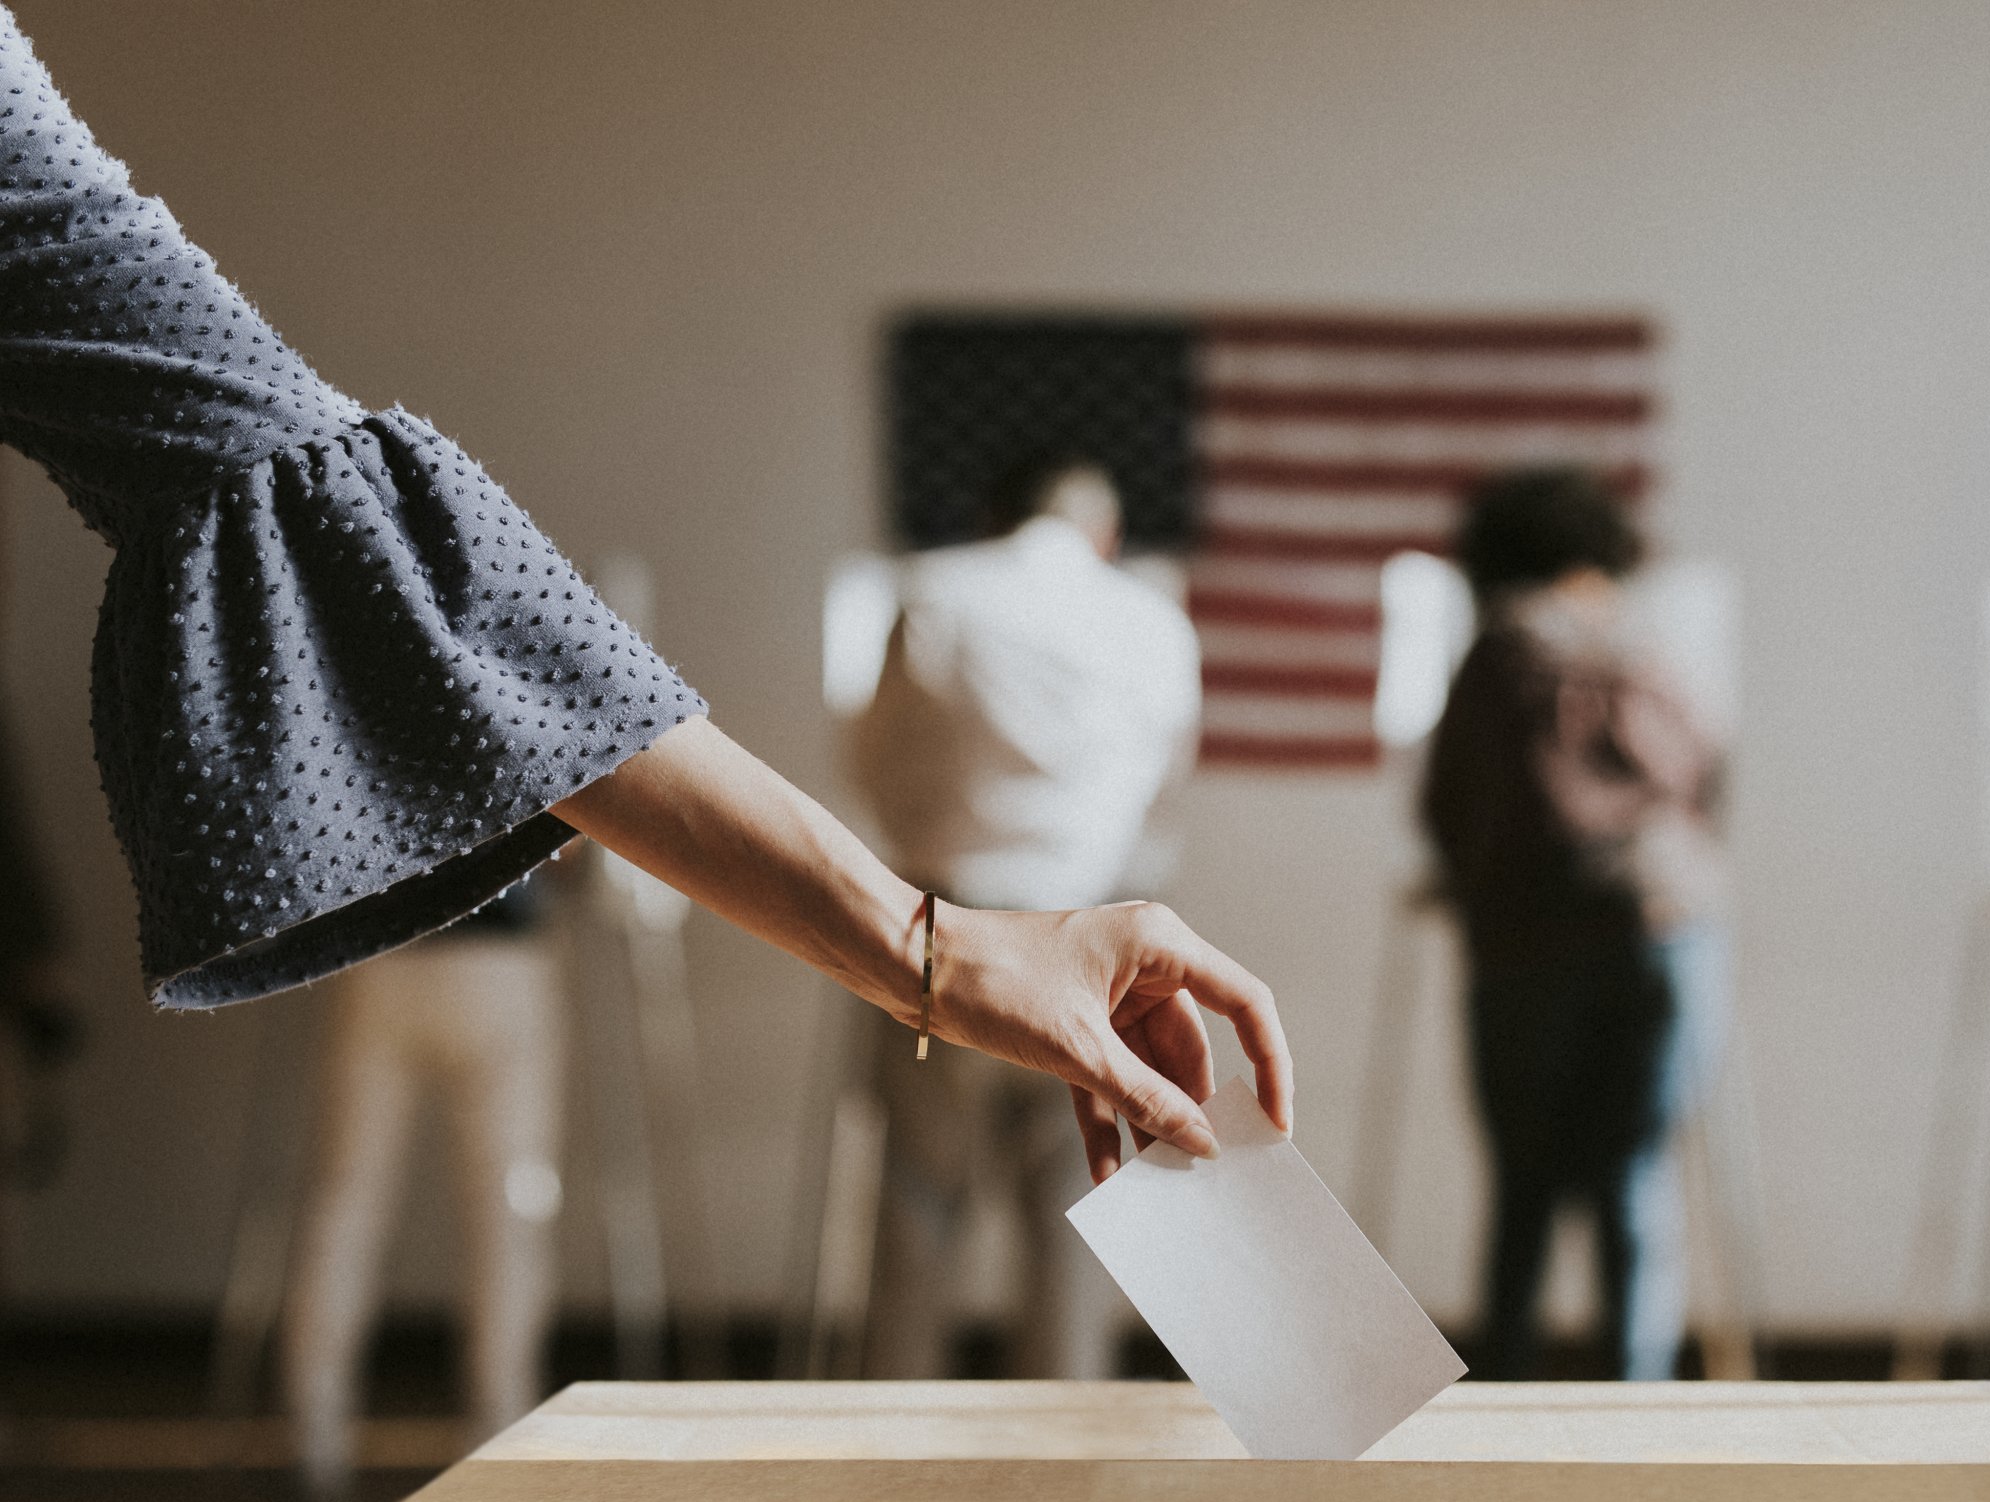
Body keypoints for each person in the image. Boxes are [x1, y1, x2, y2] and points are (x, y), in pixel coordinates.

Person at [0, 11, 1287, 1193]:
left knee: (915, 1223)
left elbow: (278, 469)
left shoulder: (942, 597)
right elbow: (268, 457)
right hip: (1014, 907)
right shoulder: (1146, 625)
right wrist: (923, 941)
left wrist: (926, 932)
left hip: (959, 903)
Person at [847, 453, 1199, 1378]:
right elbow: (1163, 784)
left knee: (920, 1192)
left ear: (992, 516)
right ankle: (1066, 1442)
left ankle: (892, 1429)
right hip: (1087, 925)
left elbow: (875, 758)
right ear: (1105, 534)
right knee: (1082, 1199)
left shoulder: (933, 591)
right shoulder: (1151, 619)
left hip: (941, 923)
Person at [1421, 469, 1726, 1382]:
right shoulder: (1645, 646)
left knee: (1524, 1190)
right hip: (1662, 936)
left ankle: (1500, 1407)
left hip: (1523, 952)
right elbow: (1707, 777)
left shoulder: (1500, 655)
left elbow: (1448, 805)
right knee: (1636, 1187)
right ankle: (1639, 1416)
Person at [282, 880, 564, 1502]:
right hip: (500, 958)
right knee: (510, 1208)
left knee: (348, 1199)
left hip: (380, 952)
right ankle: (500, 1428)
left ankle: (314, 1432)